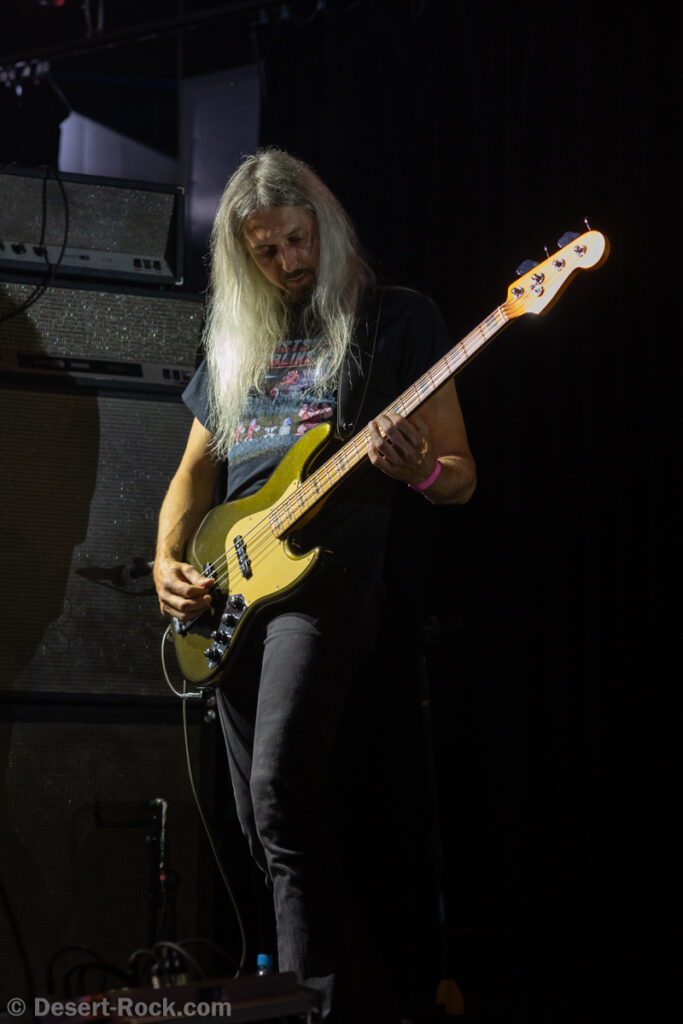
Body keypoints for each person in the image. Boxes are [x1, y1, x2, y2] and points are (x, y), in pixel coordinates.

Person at [153, 148, 476, 1023]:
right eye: (265, 251)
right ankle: (354, 995)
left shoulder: (397, 318)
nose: (288, 261)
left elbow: (459, 477)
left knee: (280, 793)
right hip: (230, 588)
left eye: (298, 239)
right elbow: (192, 472)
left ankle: (311, 1006)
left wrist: (415, 471)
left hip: (324, 584)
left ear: (324, 226)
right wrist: (166, 560)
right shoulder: (239, 337)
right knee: (262, 829)